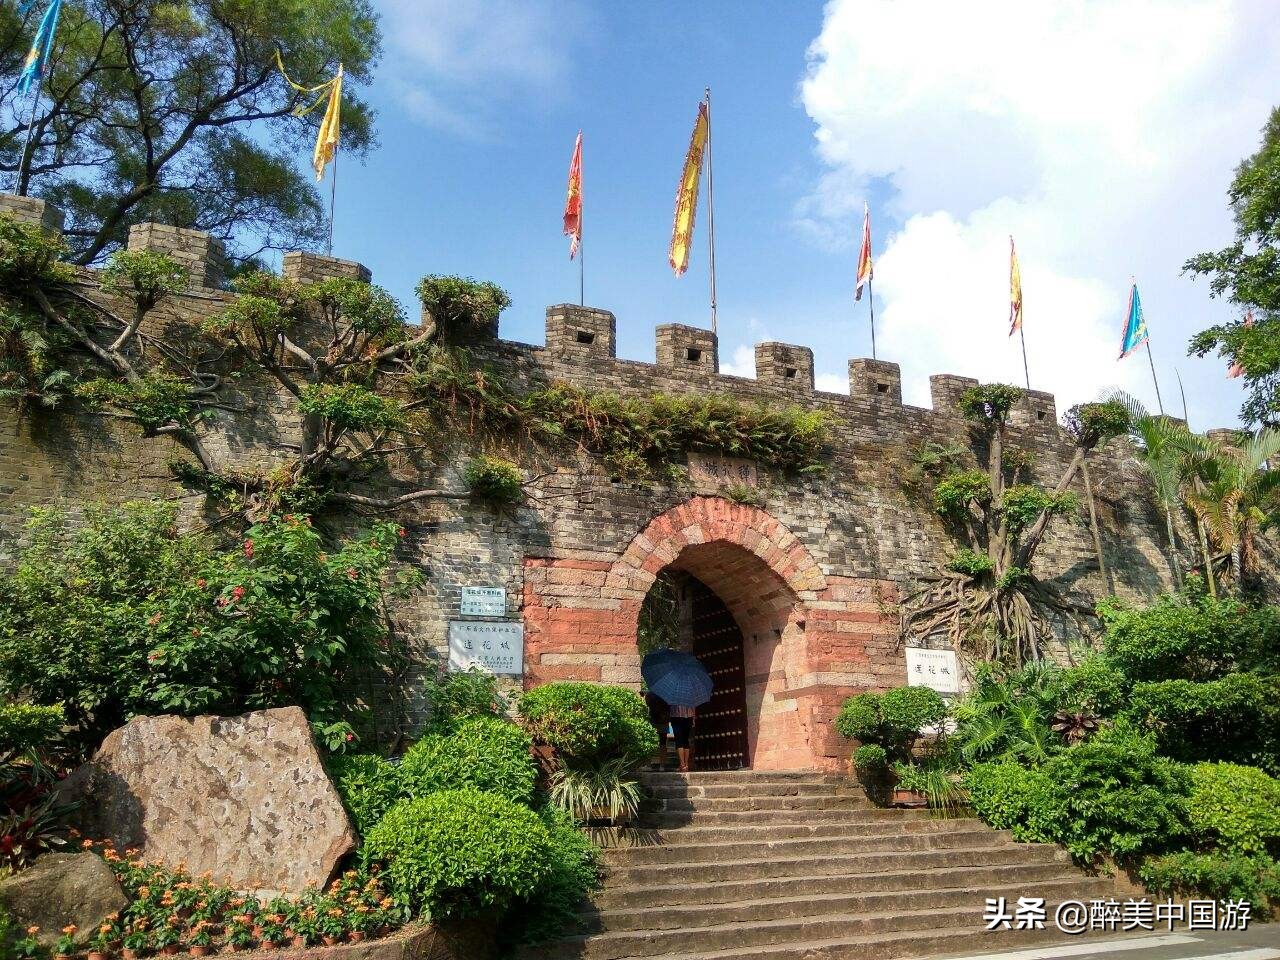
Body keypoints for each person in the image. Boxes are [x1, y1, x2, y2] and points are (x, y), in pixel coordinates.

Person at [644, 690, 671, 769]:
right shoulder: (667, 694)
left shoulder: (650, 693)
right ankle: (662, 765)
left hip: (653, 720)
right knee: (663, 743)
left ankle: (648, 765)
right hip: (663, 720)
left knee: (650, 742)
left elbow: (647, 704)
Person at [669, 701, 696, 772]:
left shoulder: (673, 693)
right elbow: (693, 706)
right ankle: (686, 765)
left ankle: (682, 764)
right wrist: (693, 718)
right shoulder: (689, 693)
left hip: (676, 716)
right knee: (685, 740)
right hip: (689, 716)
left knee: (679, 740)